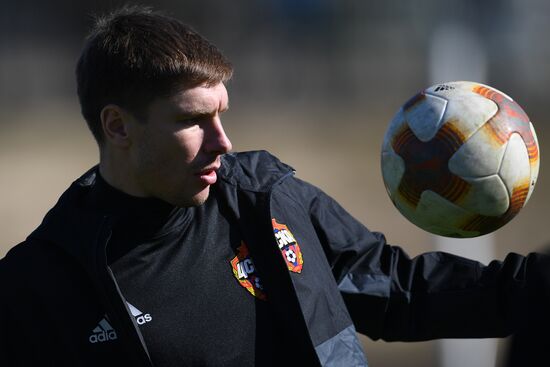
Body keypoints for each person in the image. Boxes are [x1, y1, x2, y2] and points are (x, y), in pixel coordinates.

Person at [1, 6, 548, 367]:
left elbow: (401, 294)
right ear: (118, 126)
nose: (224, 142)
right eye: (194, 120)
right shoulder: (40, 284)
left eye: (223, 114)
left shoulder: (266, 200)